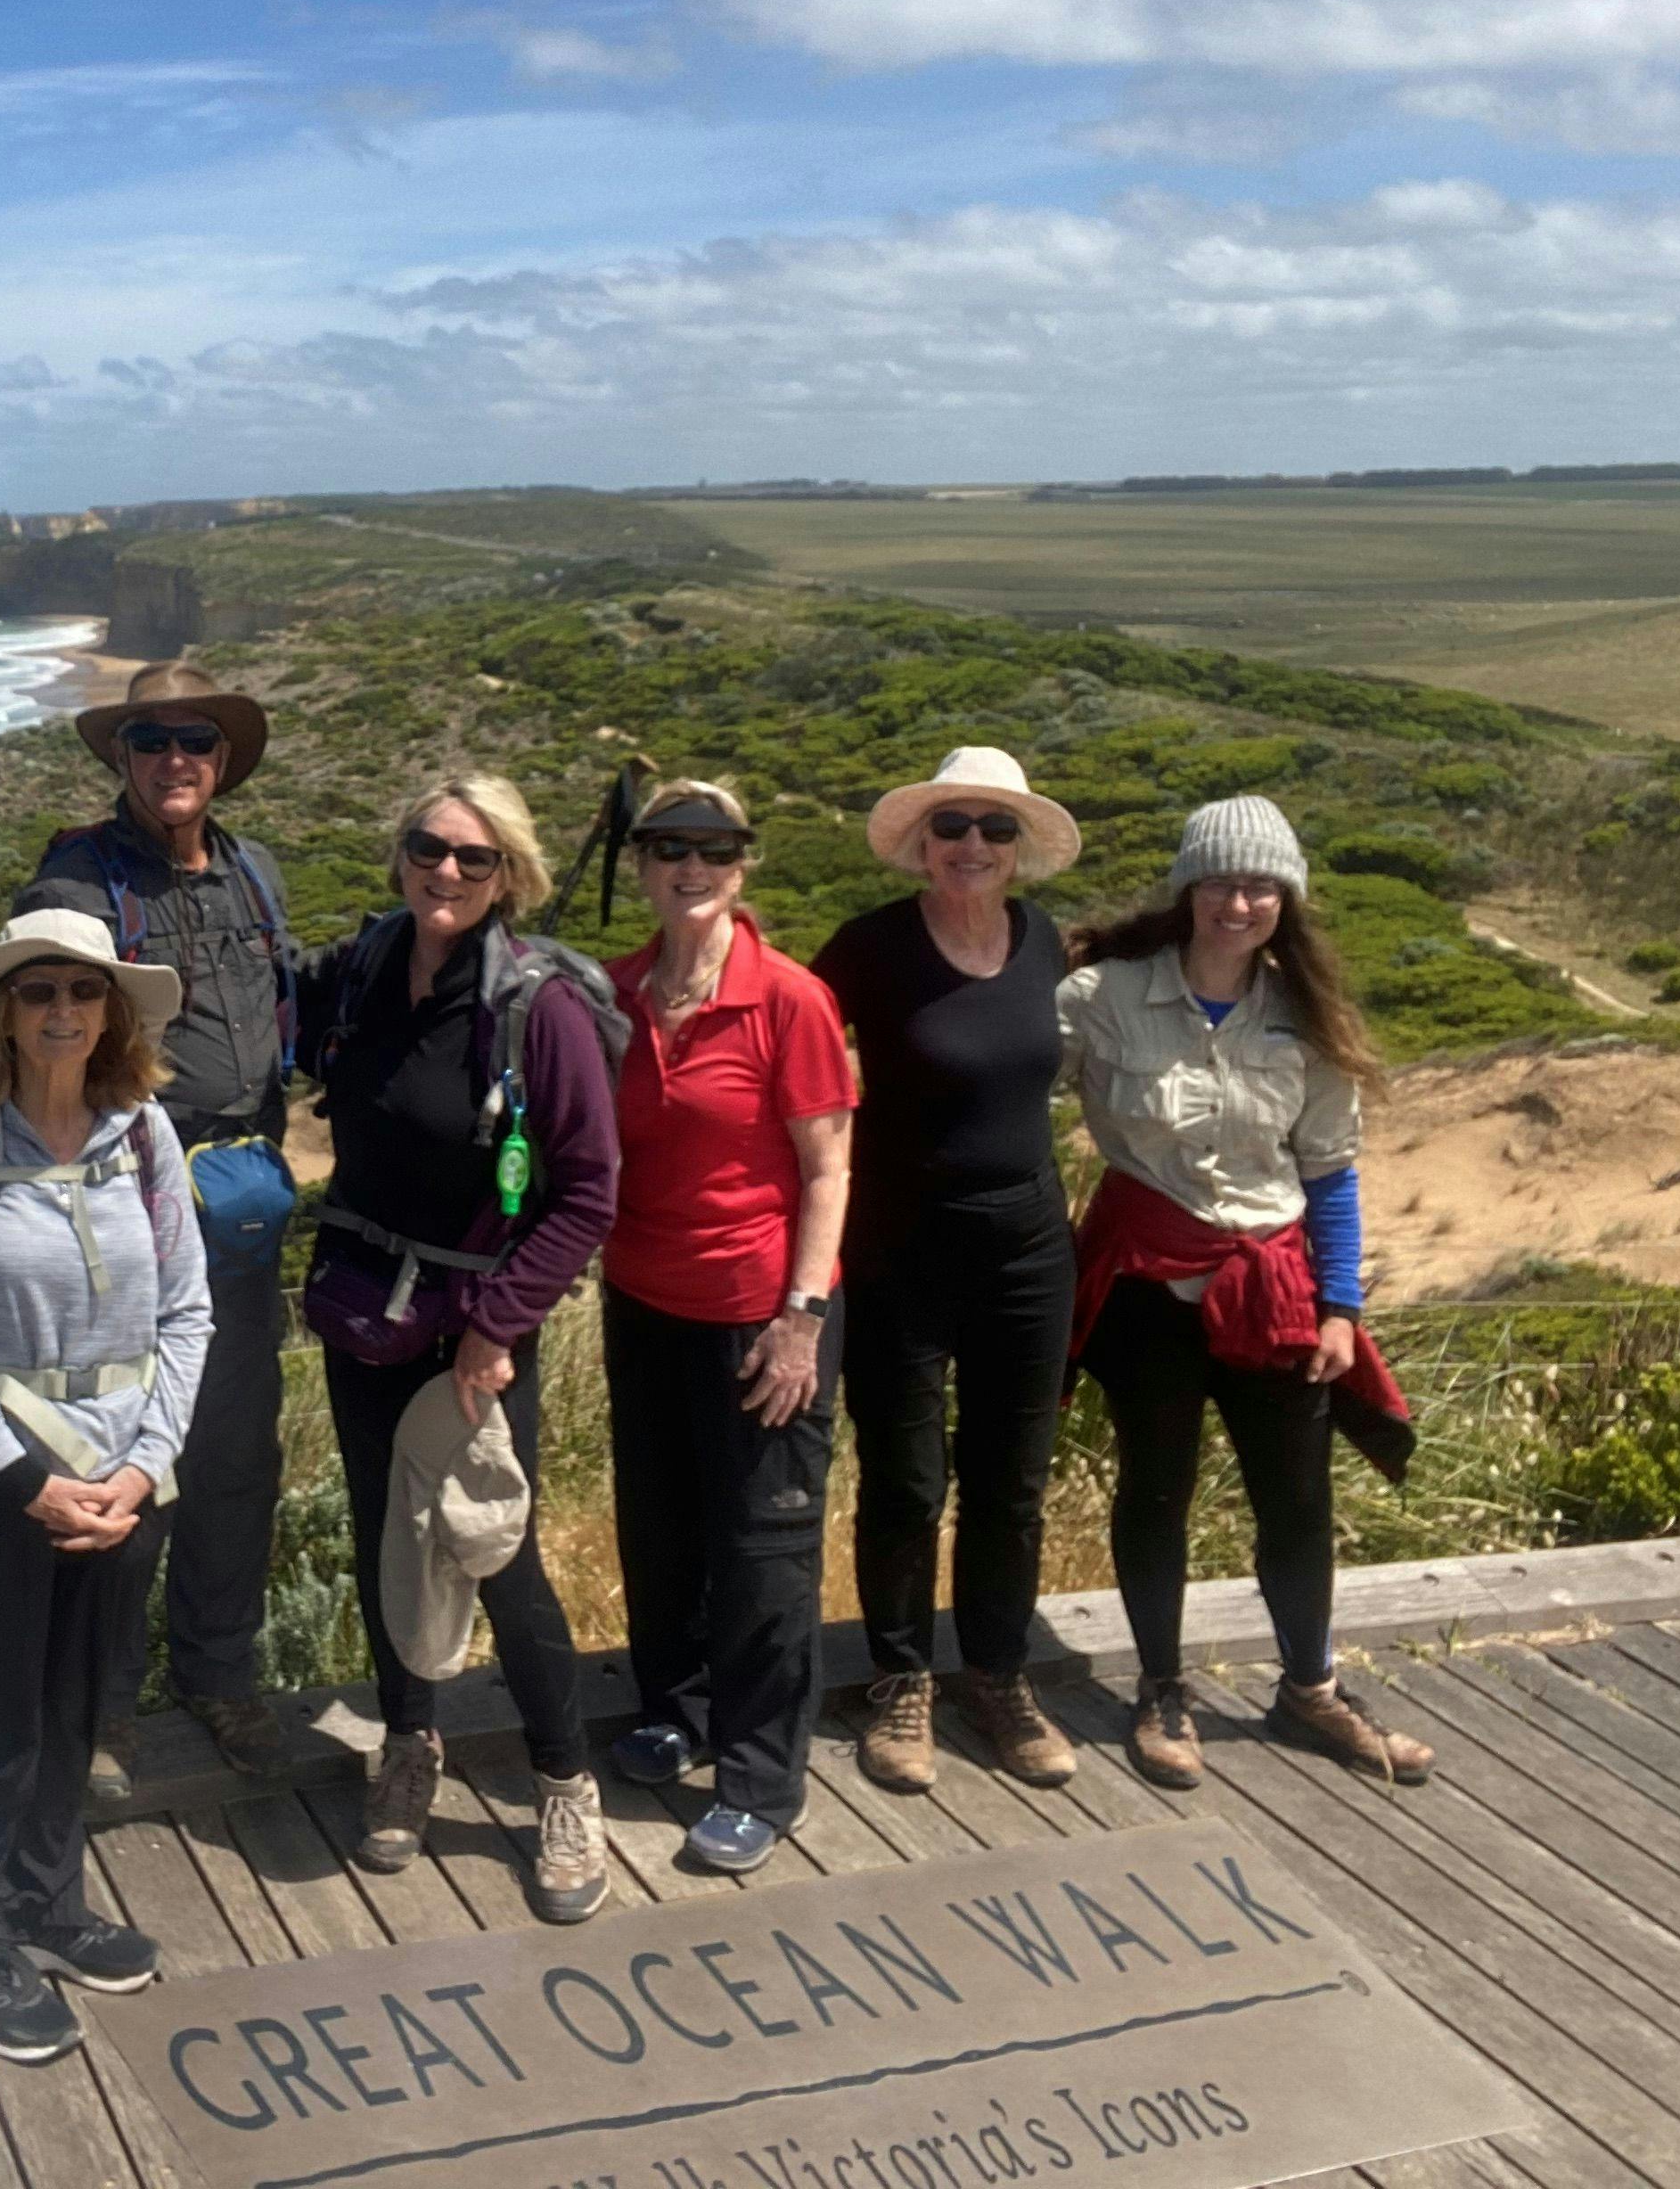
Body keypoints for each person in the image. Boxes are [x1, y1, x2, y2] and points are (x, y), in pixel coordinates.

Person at [0, 909, 211, 2066]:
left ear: (112, 1010)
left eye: (83, 990)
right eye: (39, 994)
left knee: (80, 1705)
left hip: (123, 1482)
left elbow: (189, 1309)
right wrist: (26, 1479)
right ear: (4, 1014)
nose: (64, 1012)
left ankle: (49, 1901)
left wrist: (143, 1465)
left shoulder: (144, 1132)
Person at [295, 773, 619, 1923]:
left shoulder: (541, 1011)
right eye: (429, 849)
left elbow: (585, 1194)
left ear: (509, 878)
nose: (446, 873)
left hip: (475, 1334)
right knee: (390, 1534)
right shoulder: (368, 970)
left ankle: (563, 1780)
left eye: (473, 861)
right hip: (364, 1313)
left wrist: (499, 1329)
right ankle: (411, 1745)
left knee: (495, 1550)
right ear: (401, 855)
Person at [1061, 795, 1431, 1790]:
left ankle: (1310, 1688)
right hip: (1147, 1289)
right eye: (1223, 880)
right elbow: (1007, 1087)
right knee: (1156, 1488)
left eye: (1262, 883)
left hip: (1274, 1287)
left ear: (1288, 897)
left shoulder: (1306, 1018)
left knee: (1298, 1501)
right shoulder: (1101, 997)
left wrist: (1341, 1308)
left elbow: (1330, 1175)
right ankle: (1161, 1687)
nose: (1241, 901)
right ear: (1190, 887)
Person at [18, 660, 299, 1788]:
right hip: (128, 1216)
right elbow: (44, 1017)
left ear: (221, 760)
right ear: (122, 758)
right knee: (129, 1459)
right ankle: (102, 1708)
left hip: (240, 1213)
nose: (173, 758)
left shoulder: (257, 874)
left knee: (235, 1456)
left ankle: (219, 1678)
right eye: (150, 741)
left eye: (194, 740)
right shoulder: (80, 877)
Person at [811, 747, 1086, 1796]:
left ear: (1018, 851)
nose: (974, 845)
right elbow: (784, 1038)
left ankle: (998, 1675)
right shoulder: (868, 950)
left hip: (1028, 1248)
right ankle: (900, 1680)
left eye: (996, 829)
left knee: (1011, 1484)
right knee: (906, 1480)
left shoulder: (1044, 943)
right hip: (900, 1244)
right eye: (955, 827)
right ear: (923, 845)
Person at [595, 781, 857, 1870]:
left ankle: (760, 1773)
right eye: (667, 848)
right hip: (642, 1299)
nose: (689, 868)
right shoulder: (615, 996)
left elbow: (830, 1166)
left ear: (743, 866)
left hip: (761, 1314)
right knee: (661, 1523)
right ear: (645, 865)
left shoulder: (789, 999)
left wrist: (801, 1318)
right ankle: (678, 1707)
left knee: (763, 1550)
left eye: (713, 849)